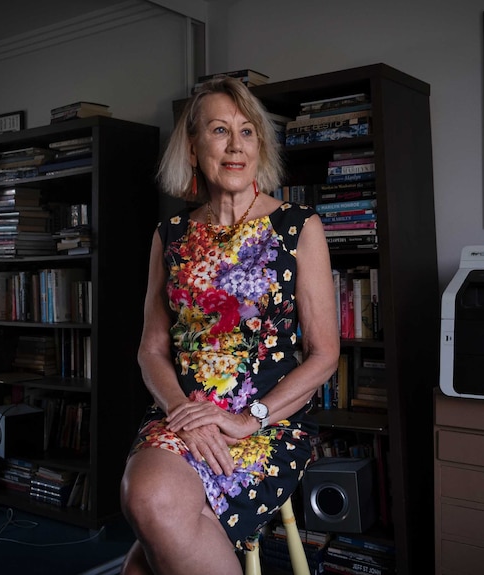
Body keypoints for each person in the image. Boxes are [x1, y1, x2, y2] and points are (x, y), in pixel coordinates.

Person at [119, 76, 340, 575]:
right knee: (147, 498)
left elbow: (325, 354)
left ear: (260, 145)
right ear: (194, 148)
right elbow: (151, 350)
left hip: (268, 422)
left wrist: (249, 419)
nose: (235, 145)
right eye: (219, 130)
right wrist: (180, 410)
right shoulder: (170, 236)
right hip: (186, 417)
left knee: (142, 566)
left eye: (247, 131)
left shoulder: (298, 227)